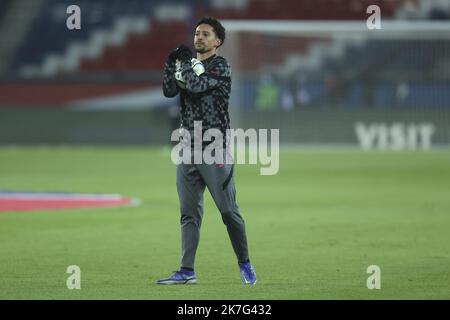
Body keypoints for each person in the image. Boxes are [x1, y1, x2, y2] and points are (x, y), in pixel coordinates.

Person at [157, 16, 256, 285]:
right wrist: (170, 62)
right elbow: (169, 90)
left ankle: (244, 262)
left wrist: (184, 64)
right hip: (187, 147)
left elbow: (196, 86)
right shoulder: (188, 66)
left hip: (214, 148)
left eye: (205, 34)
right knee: (189, 213)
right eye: (197, 33)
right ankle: (187, 271)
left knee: (228, 211)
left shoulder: (220, 67)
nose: (198, 37)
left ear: (217, 41)